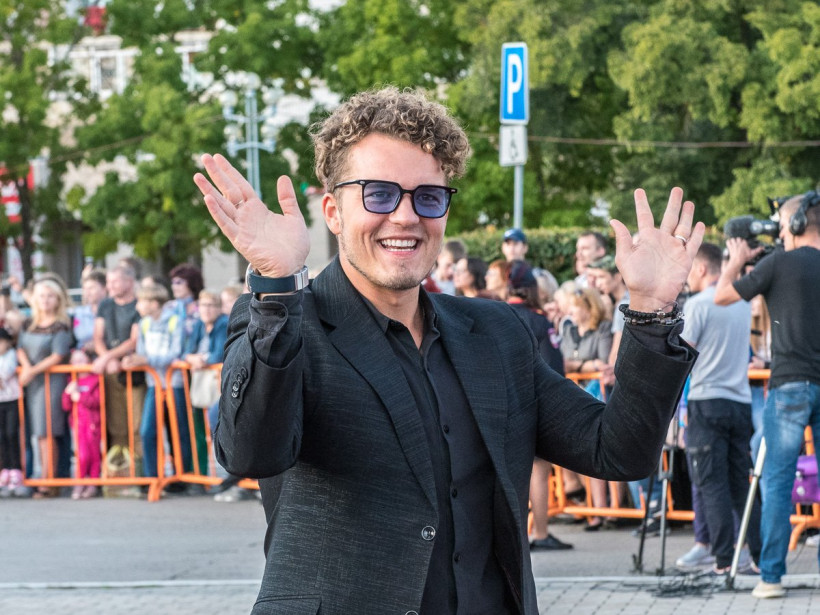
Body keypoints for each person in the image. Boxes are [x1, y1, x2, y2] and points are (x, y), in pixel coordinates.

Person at [193, 86, 702, 614]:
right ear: (333, 211)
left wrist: (649, 310)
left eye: (428, 197)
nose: (406, 216)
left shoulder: (496, 334)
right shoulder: (286, 322)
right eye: (378, 194)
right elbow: (251, 453)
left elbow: (617, 449)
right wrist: (276, 286)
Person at [715, 190, 820, 599]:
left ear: (794, 225)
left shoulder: (778, 263)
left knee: (777, 481)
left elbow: (722, 296)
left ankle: (772, 578)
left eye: (780, 226)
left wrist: (736, 259)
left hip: (790, 384)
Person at [680, 242, 761, 575]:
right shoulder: (741, 303)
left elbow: (683, 355)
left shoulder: (698, 304)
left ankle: (724, 560)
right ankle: (758, 556)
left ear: (701, 268)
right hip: (739, 401)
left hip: (706, 399)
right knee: (741, 483)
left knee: (711, 483)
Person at [504, 260, 570, 551]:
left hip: (499, 406)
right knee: (538, 472)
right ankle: (540, 533)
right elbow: (554, 368)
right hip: (530, 405)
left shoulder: (494, 315)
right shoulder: (538, 320)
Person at [122, 283, 188, 479]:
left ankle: (182, 476)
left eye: (141, 301)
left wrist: (147, 360)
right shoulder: (144, 324)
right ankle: (153, 476)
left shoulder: (175, 321)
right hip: (154, 384)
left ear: (154, 303)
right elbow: (141, 353)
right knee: (147, 431)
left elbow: (175, 353)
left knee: (179, 431)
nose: (137, 306)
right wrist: (133, 360)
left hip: (174, 383)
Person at [17, 278, 73, 497]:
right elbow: (20, 348)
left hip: (50, 382)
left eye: (50, 296)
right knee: (37, 433)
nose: (45, 300)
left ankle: (49, 480)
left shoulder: (60, 325)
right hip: (31, 382)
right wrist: (26, 367)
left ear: (58, 299)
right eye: (41, 296)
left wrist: (32, 371)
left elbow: (58, 355)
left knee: (47, 432)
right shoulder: (28, 323)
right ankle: (42, 476)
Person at [93, 264, 144, 463]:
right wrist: (108, 358)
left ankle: (139, 470)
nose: (110, 286)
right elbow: (98, 337)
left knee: (137, 423)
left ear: (129, 282)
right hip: (112, 371)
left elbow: (134, 340)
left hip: (134, 371)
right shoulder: (105, 305)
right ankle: (120, 469)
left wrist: (107, 358)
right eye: (108, 282)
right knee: (116, 424)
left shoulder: (138, 305)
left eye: (115, 281)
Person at [62, 348, 102, 499]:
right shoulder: (71, 381)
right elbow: (66, 406)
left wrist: (80, 397)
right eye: (75, 361)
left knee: (94, 455)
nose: (78, 364)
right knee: (82, 455)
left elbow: (97, 401)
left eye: (81, 360)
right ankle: (80, 482)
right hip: (78, 425)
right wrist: (67, 393)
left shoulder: (96, 380)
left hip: (93, 424)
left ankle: (93, 483)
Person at [0, 327, 25, 498]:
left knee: (11, 434)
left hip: (12, 399)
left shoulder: (11, 355)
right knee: (1, 436)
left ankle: (16, 469)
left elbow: (7, 371)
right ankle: (5, 469)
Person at [72, 269, 107, 352]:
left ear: (104, 289)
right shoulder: (78, 313)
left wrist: (97, 344)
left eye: (91, 288)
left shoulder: (113, 311)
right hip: (82, 355)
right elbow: (80, 335)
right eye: (85, 289)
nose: (87, 292)